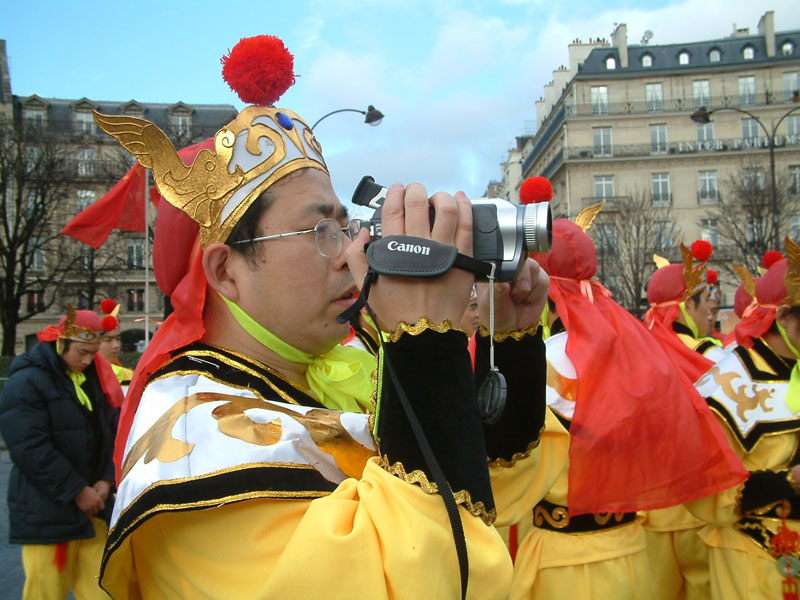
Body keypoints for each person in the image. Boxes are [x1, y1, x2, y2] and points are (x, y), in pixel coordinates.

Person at [92, 35, 566, 599]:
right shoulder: (193, 440)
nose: (349, 251)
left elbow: (492, 494)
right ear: (225, 273)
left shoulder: (317, 376)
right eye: (319, 229)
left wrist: (507, 340)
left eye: (346, 226)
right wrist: (424, 340)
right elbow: (425, 574)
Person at [508, 206, 743, 599]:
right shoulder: (641, 351)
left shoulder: (539, 362)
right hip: (634, 554)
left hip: (562, 561)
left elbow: (504, 484)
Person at [688, 237, 800, 599]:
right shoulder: (728, 382)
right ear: (782, 316)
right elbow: (703, 486)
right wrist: (787, 482)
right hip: (753, 557)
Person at [0, 306, 122, 600]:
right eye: (82, 352)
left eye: (93, 353)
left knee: (101, 593)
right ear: (60, 342)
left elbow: (108, 434)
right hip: (49, 515)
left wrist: (106, 479)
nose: (88, 360)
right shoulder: (26, 381)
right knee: (45, 593)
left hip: (94, 510)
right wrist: (77, 491)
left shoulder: (91, 376)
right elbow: (30, 448)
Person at [642, 240, 734, 599]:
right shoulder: (715, 357)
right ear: (686, 305)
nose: (710, 307)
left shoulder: (634, 351)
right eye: (703, 299)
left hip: (649, 513)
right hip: (702, 509)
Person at [96, 299, 133, 390]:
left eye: (118, 339)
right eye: (108, 340)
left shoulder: (127, 375)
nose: (116, 345)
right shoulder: (84, 374)